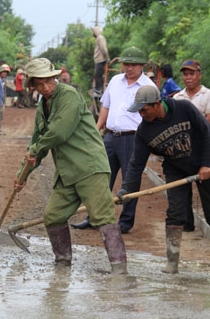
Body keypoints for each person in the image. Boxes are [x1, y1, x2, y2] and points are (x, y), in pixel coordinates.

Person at [119, 85, 210, 273]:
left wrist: (206, 164)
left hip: (202, 161)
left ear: (156, 104)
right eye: (138, 109)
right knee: (175, 212)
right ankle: (172, 261)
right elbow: (136, 164)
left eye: (144, 109)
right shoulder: (144, 132)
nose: (141, 113)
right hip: (175, 168)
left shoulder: (183, 108)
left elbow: (206, 132)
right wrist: (126, 190)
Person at [14, 58, 127, 274]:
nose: (46, 87)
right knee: (53, 215)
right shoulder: (43, 106)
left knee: (102, 215)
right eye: (40, 83)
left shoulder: (68, 95)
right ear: (33, 86)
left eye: (49, 81)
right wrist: (22, 175)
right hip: (67, 172)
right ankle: (62, 265)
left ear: (55, 78)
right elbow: (36, 143)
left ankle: (120, 271)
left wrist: (36, 149)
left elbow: (57, 133)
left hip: (88, 166)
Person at [71, 46, 157, 233]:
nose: (129, 68)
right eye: (126, 64)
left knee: (130, 180)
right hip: (111, 136)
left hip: (133, 139)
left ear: (141, 65)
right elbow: (106, 108)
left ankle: (125, 223)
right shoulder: (116, 81)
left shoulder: (148, 87)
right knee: (101, 178)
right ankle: (94, 217)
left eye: (133, 64)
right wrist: (95, 132)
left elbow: (153, 115)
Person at [173, 59, 210, 233]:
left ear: (199, 75)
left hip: (202, 148)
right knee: (182, 188)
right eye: (185, 74)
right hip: (183, 150)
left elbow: (208, 121)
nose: (188, 77)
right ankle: (186, 222)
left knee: (208, 188)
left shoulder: (209, 95)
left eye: (192, 74)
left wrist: (189, 131)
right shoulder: (178, 97)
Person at [92, 26, 109, 95]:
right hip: (99, 59)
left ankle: (99, 89)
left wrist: (107, 58)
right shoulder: (99, 38)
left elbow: (103, 48)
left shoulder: (100, 38)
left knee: (97, 75)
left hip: (100, 59)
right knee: (98, 75)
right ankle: (99, 88)